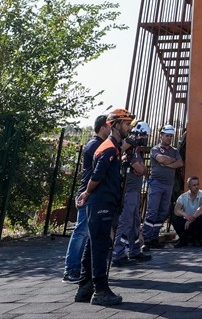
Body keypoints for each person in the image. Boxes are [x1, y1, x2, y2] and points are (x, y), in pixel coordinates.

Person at [73, 107, 134, 307]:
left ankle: (85, 287)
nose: (129, 128)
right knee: (100, 246)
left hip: (102, 202)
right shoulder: (108, 148)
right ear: (114, 126)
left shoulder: (113, 148)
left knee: (94, 243)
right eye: (126, 124)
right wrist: (87, 192)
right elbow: (96, 176)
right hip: (101, 202)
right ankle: (101, 290)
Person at [63, 114, 108, 283]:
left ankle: (81, 268)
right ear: (103, 127)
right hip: (87, 193)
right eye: (110, 126)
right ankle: (71, 269)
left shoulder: (98, 144)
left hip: (93, 193)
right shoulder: (94, 145)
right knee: (81, 232)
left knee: (87, 233)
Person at [112, 121, 152, 266]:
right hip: (129, 193)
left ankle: (134, 251)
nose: (143, 138)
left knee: (135, 223)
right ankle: (118, 253)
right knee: (126, 222)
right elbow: (141, 170)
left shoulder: (135, 153)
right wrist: (141, 169)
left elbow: (143, 170)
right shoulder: (129, 153)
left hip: (134, 192)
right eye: (142, 135)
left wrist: (142, 169)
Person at [143, 125, 182, 248]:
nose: (169, 138)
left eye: (171, 136)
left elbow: (180, 163)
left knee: (163, 212)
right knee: (152, 211)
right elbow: (161, 159)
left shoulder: (175, 150)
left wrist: (168, 163)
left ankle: (154, 238)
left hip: (169, 185)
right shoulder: (155, 149)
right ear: (161, 135)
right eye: (167, 135)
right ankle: (147, 239)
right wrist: (171, 161)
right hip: (156, 184)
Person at [171, 176, 202, 247]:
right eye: (194, 185)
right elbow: (176, 210)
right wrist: (185, 215)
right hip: (186, 223)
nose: (197, 187)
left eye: (198, 184)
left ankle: (196, 239)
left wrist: (191, 219)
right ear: (189, 186)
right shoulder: (182, 197)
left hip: (196, 221)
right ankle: (183, 240)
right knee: (174, 217)